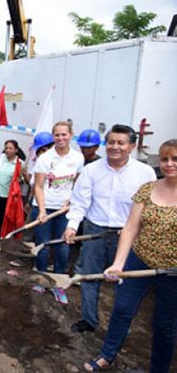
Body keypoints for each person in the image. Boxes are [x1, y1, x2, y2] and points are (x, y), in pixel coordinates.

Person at [83, 139, 177, 372]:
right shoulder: (148, 189)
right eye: (164, 159)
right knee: (122, 309)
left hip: (173, 272)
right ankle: (107, 354)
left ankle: (159, 369)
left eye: (175, 159)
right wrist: (118, 263)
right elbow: (131, 227)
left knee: (164, 324)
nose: (169, 164)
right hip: (140, 258)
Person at [64, 125, 156, 334]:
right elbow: (80, 202)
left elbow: (150, 206)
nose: (115, 147)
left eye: (121, 143)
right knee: (89, 277)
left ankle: (120, 324)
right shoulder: (91, 171)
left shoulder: (145, 173)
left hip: (127, 234)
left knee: (124, 282)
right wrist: (71, 226)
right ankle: (89, 320)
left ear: (131, 146)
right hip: (94, 231)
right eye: (111, 142)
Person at [32, 121, 84, 274]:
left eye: (64, 134)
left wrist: (72, 199)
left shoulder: (78, 158)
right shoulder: (45, 158)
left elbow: (77, 183)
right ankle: (41, 278)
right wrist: (42, 211)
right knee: (42, 247)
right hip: (44, 208)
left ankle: (58, 280)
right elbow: (38, 186)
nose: (60, 138)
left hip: (65, 210)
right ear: (53, 136)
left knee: (63, 247)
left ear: (71, 135)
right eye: (57, 135)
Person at [0, 140, 26, 239]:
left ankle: (4, 235)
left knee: (6, 216)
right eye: (6, 148)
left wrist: (21, 177)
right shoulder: (2, 157)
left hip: (9, 195)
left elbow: (22, 180)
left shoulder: (20, 164)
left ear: (16, 150)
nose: (7, 150)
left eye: (10, 148)